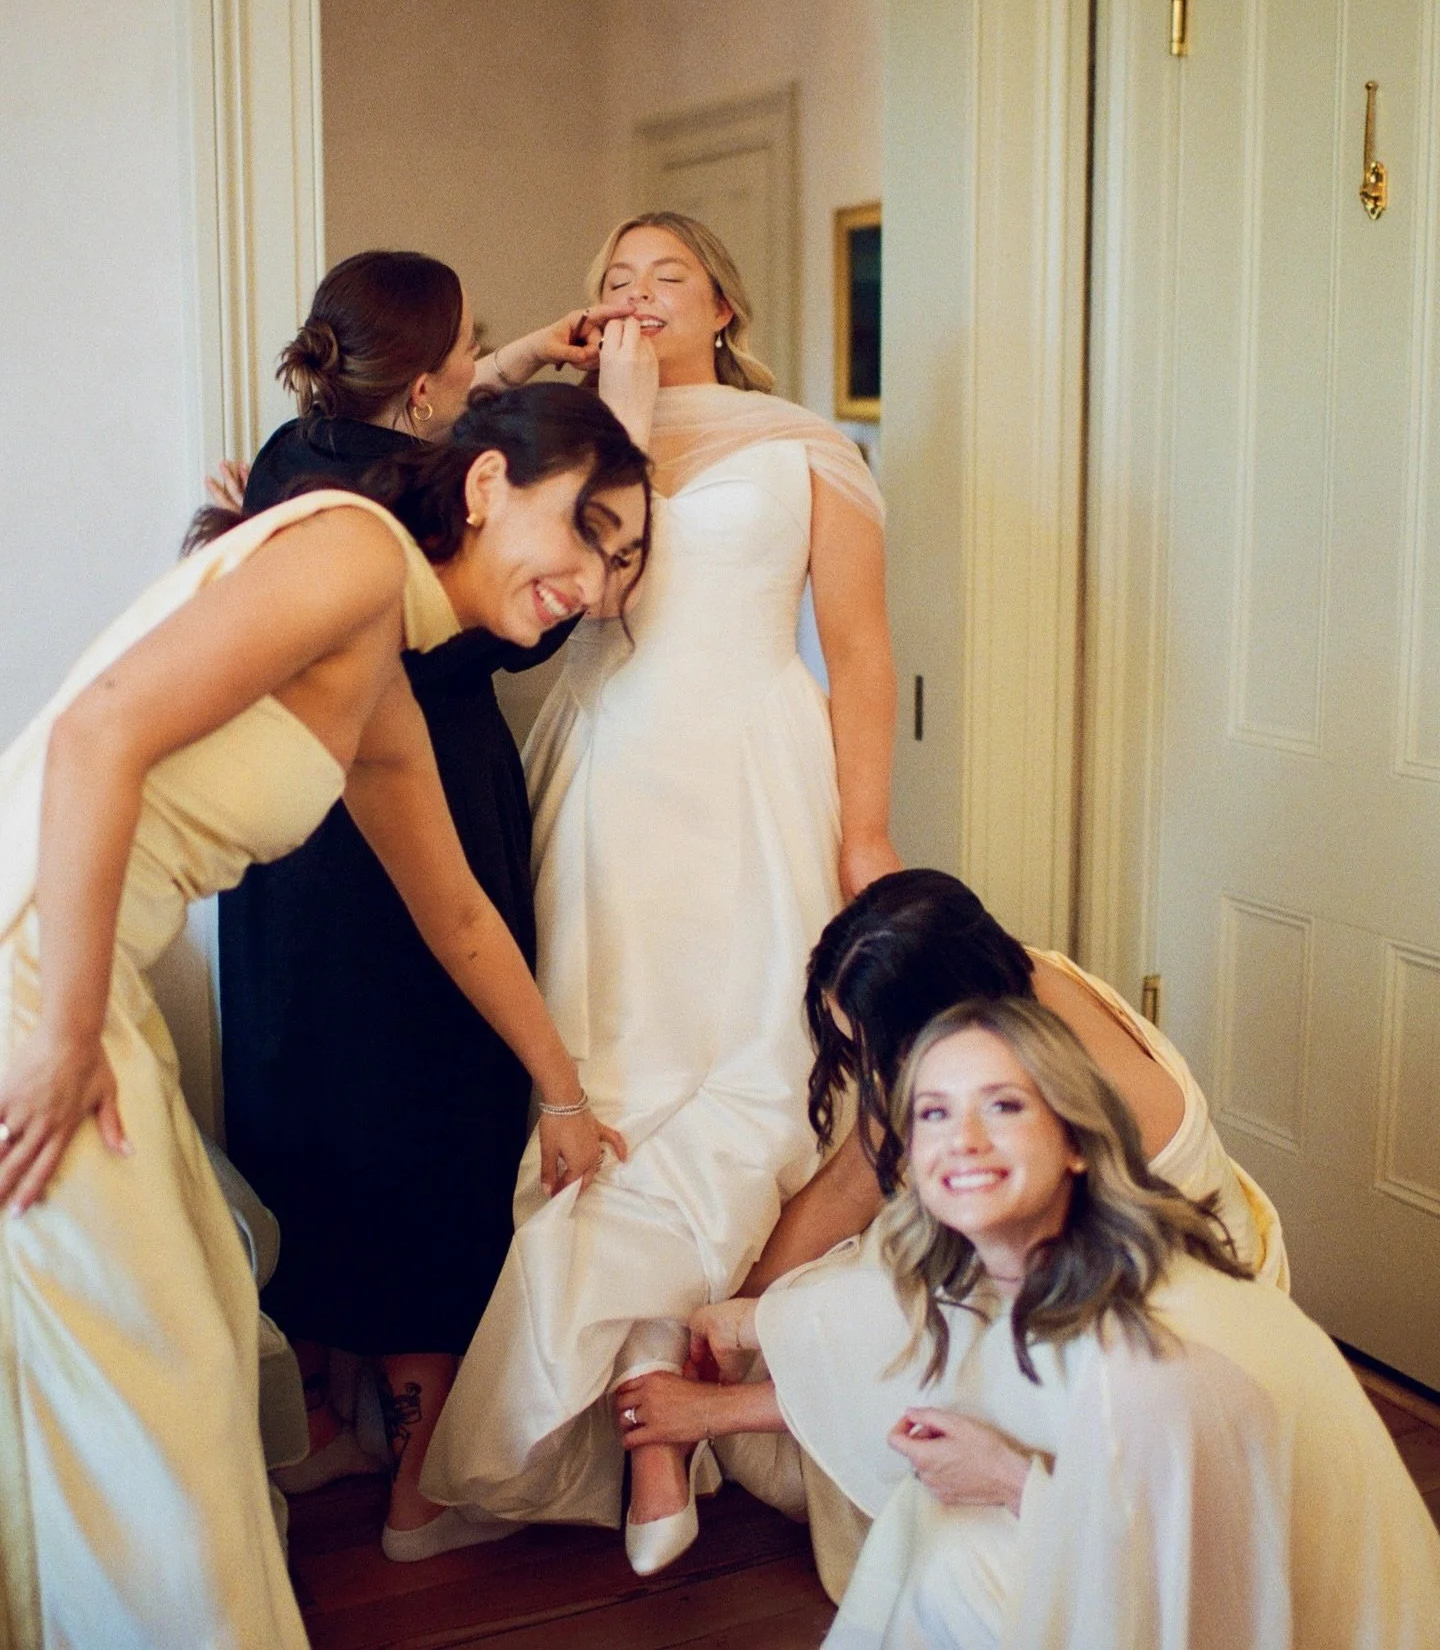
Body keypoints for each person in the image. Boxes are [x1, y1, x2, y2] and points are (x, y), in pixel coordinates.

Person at [0, 387, 645, 1645]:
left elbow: (458, 916)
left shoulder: (378, 678)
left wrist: (564, 1093)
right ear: (486, 485)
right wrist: (66, 1033)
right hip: (37, 976)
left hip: (77, 976)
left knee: (158, 1361)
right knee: (161, 1380)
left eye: (621, 563)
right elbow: (92, 737)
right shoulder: (352, 551)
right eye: (587, 530)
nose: (595, 582)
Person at [423, 211, 900, 1574]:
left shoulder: (806, 448)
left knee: (756, 1065)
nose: (639, 294)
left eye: (667, 275)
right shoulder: (560, 439)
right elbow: (557, 589)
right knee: (617, 1080)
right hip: (613, 778)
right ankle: (644, 1410)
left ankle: (694, 1397)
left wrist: (865, 832)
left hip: (756, 783)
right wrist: (606, 422)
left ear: (723, 306)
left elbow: (862, 651)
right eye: (616, 280)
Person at [211, 251, 643, 1557]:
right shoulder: (404, 547)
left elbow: (406, 451)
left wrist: (504, 368)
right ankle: (422, 1483)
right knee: (429, 1117)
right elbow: (517, 619)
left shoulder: (295, 463)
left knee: (314, 1110)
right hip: (410, 827)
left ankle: (325, 1427)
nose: (478, 367)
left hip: (294, 861)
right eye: (465, 351)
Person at [609, 868, 1287, 1600]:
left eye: (878, 1049)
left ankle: (700, 1416)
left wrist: (729, 1391)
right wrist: (738, 1304)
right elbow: (854, 1177)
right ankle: (706, 1380)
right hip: (1034, 1259)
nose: (871, 1069)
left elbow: (977, 1334)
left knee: (856, 1307)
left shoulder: (1058, 1101)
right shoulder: (998, 985)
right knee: (805, 1279)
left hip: (1138, 1322)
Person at [711, 1000, 1440, 1648]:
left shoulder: (1153, 1352)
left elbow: (1209, 1599)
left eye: (1004, 1106)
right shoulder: (1042, 1273)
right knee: (935, 1519)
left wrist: (1008, 1479)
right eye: (933, 1112)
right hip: (1200, 1581)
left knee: (956, 1557)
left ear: (1076, 1140)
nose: (963, 1138)